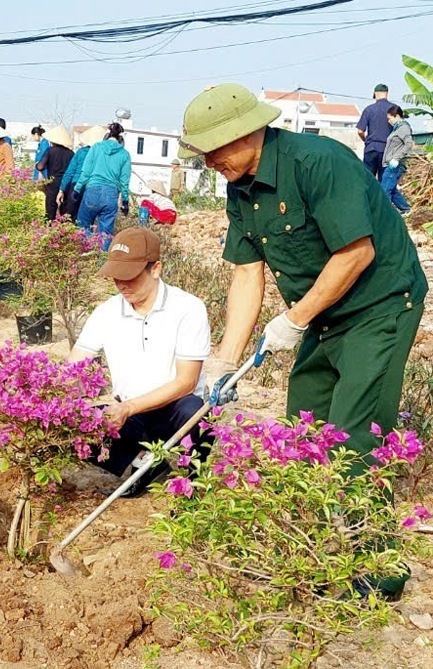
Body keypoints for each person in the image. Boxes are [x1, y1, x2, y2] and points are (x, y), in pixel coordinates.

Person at [182, 83, 425, 598]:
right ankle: (311, 550)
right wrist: (224, 361)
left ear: (248, 132)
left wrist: (293, 319)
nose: (209, 162)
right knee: (304, 424)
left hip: (380, 305)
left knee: (355, 435)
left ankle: (375, 576)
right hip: (323, 314)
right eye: (202, 154)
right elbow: (247, 275)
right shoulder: (239, 187)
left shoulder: (318, 162)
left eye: (215, 149)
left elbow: (355, 254)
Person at [70, 227, 211, 496]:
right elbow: (75, 366)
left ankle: (195, 484)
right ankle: (144, 460)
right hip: (128, 412)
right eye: (116, 277)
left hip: (173, 407)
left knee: (196, 413)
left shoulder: (188, 309)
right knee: (75, 427)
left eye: (130, 277)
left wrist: (129, 408)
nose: (122, 285)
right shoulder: (106, 312)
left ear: (155, 269)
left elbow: (186, 381)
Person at [73, 122, 131, 250]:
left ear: (106, 137)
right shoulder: (125, 155)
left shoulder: (96, 147)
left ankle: (86, 251)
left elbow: (86, 171)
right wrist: (125, 201)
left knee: (83, 224)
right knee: (106, 233)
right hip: (111, 195)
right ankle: (102, 259)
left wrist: (77, 188)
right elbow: (124, 181)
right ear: (121, 141)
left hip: (92, 191)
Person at [57, 125, 104, 221]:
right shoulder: (102, 155)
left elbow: (70, 172)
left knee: (70, 217)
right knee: (86, 220)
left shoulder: (81, 152)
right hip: (92, 187)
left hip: (75, 185)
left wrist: (62, 189)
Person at [36, 125, 74, 220]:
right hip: (66, 184)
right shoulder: (71, 153)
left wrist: (36, 165)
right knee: (64, 213)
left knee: (50, 212)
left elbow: (40, 166)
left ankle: (49, 231)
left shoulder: (50, 151)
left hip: (52, 183)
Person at [357, 84, 394, 181]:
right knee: (384, 182)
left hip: (371, 148)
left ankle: (367, 196)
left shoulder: (369, 109)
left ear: (375, 94)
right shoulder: (394, 110)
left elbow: (360, 131)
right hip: (387, 150)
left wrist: (366, 141)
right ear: (387, 94)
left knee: (367, 180)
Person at [382, 104, 413, 214]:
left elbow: (409, 144)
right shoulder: (397, 129)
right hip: (391, 164)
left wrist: (396, 158)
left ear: (396, 116)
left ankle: (386, 215)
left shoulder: (403, 128)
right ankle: (406, 209)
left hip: (395, 164)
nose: (388, 121)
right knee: (392, 190)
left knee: (385, 190)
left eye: (389, 118)